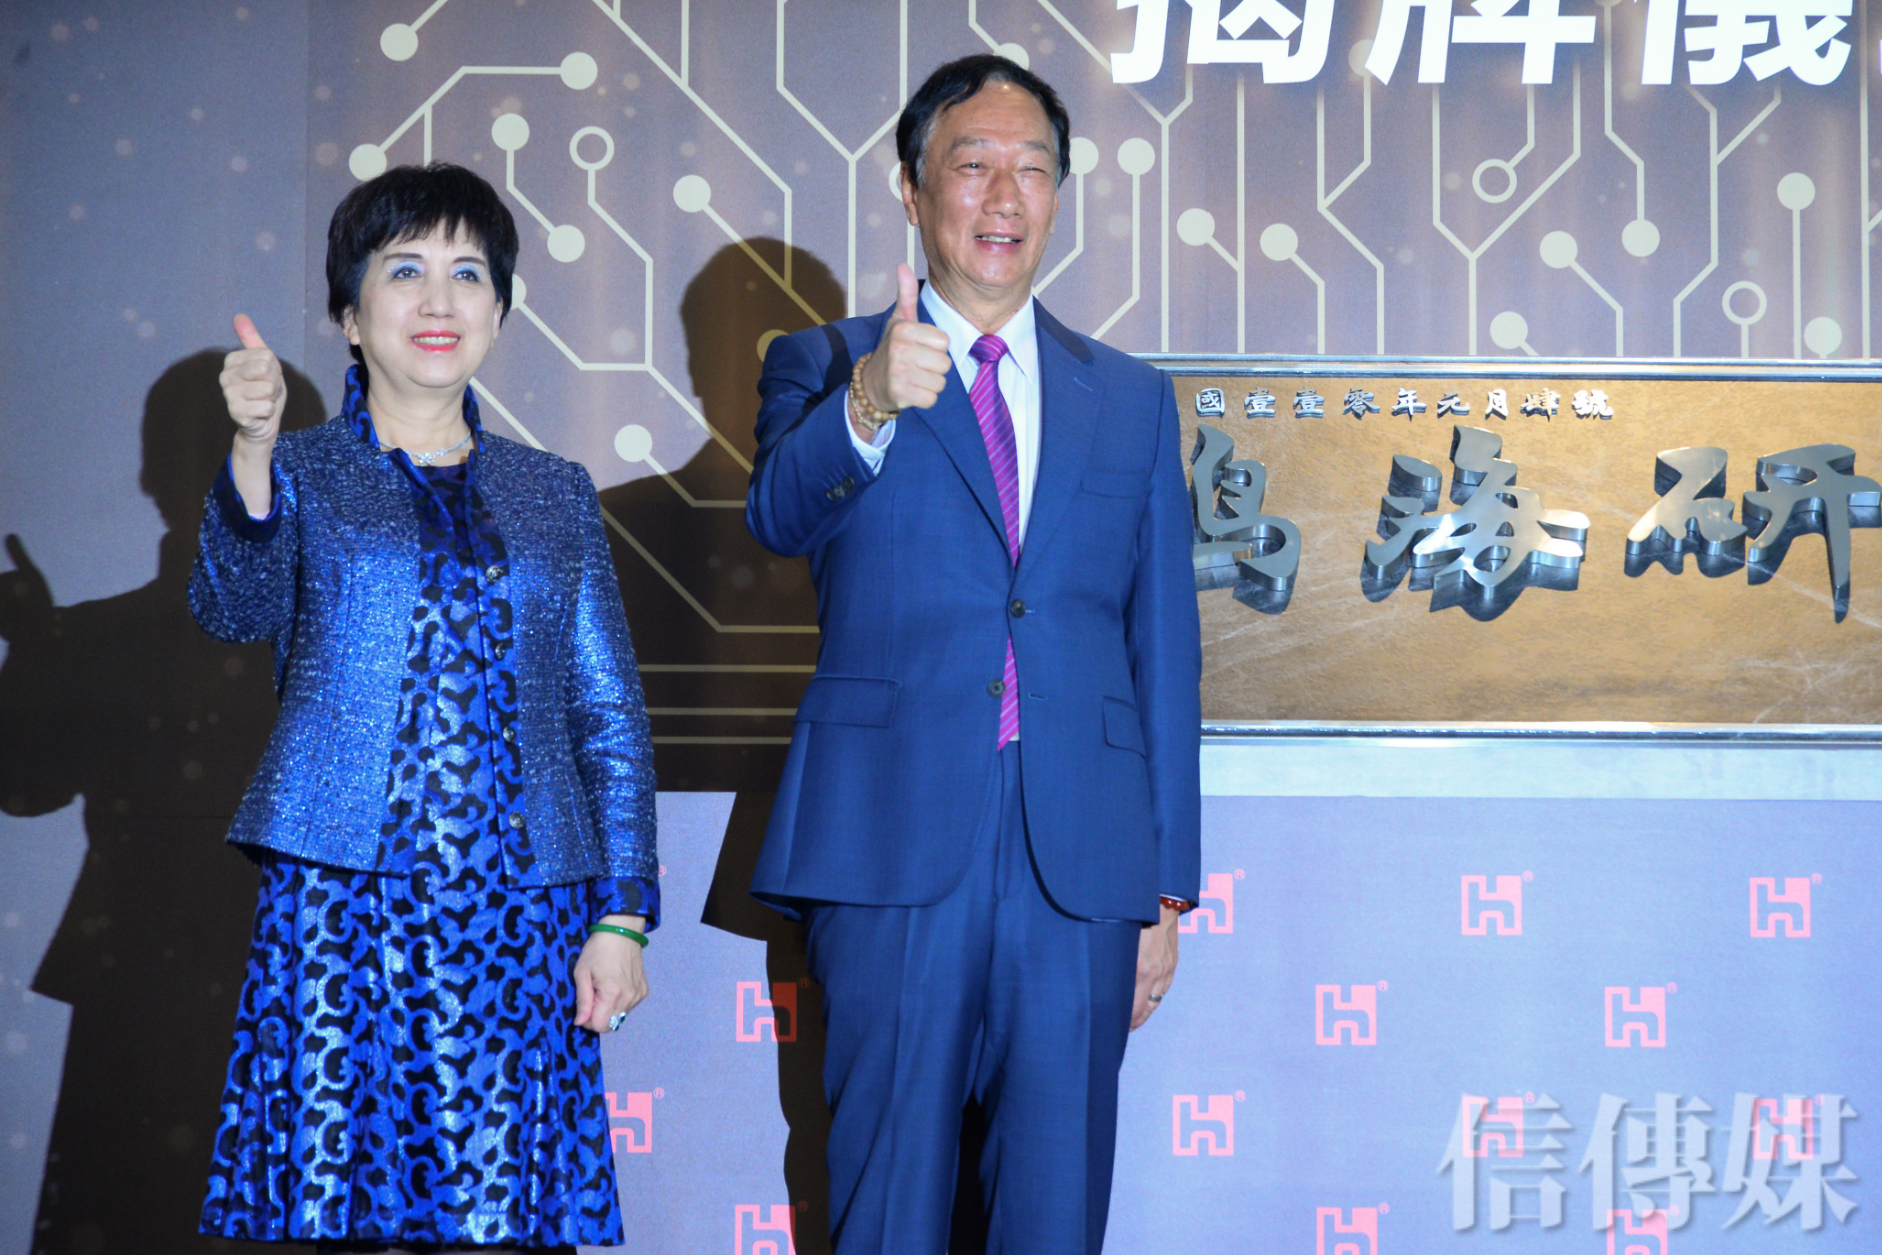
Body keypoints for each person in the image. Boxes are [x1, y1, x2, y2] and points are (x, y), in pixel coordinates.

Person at [744, 54, 1202, 1255]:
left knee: (1053, 1212)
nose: (1004, 195)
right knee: (886, 1207)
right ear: (910, 189)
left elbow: (1162, 648)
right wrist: (868, 402)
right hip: (892, 844)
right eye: (973, 164)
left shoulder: (1130, 400)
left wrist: (1163, 888)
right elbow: (777, 518)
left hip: (1078, 863)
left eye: (1032, 169)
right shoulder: (823, 363)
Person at [190, 163, 657, 1253]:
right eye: (404, 272)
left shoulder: (554, 490)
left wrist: (622, 915)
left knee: (503, 1218)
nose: (439, 299)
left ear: (500, 309)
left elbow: (607, 714)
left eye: (468, 273)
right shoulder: (300, 471)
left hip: (521, 912)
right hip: (342, 906)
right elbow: (232, 606)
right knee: (344, 1208)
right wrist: (252, 450)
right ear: (350, 316)